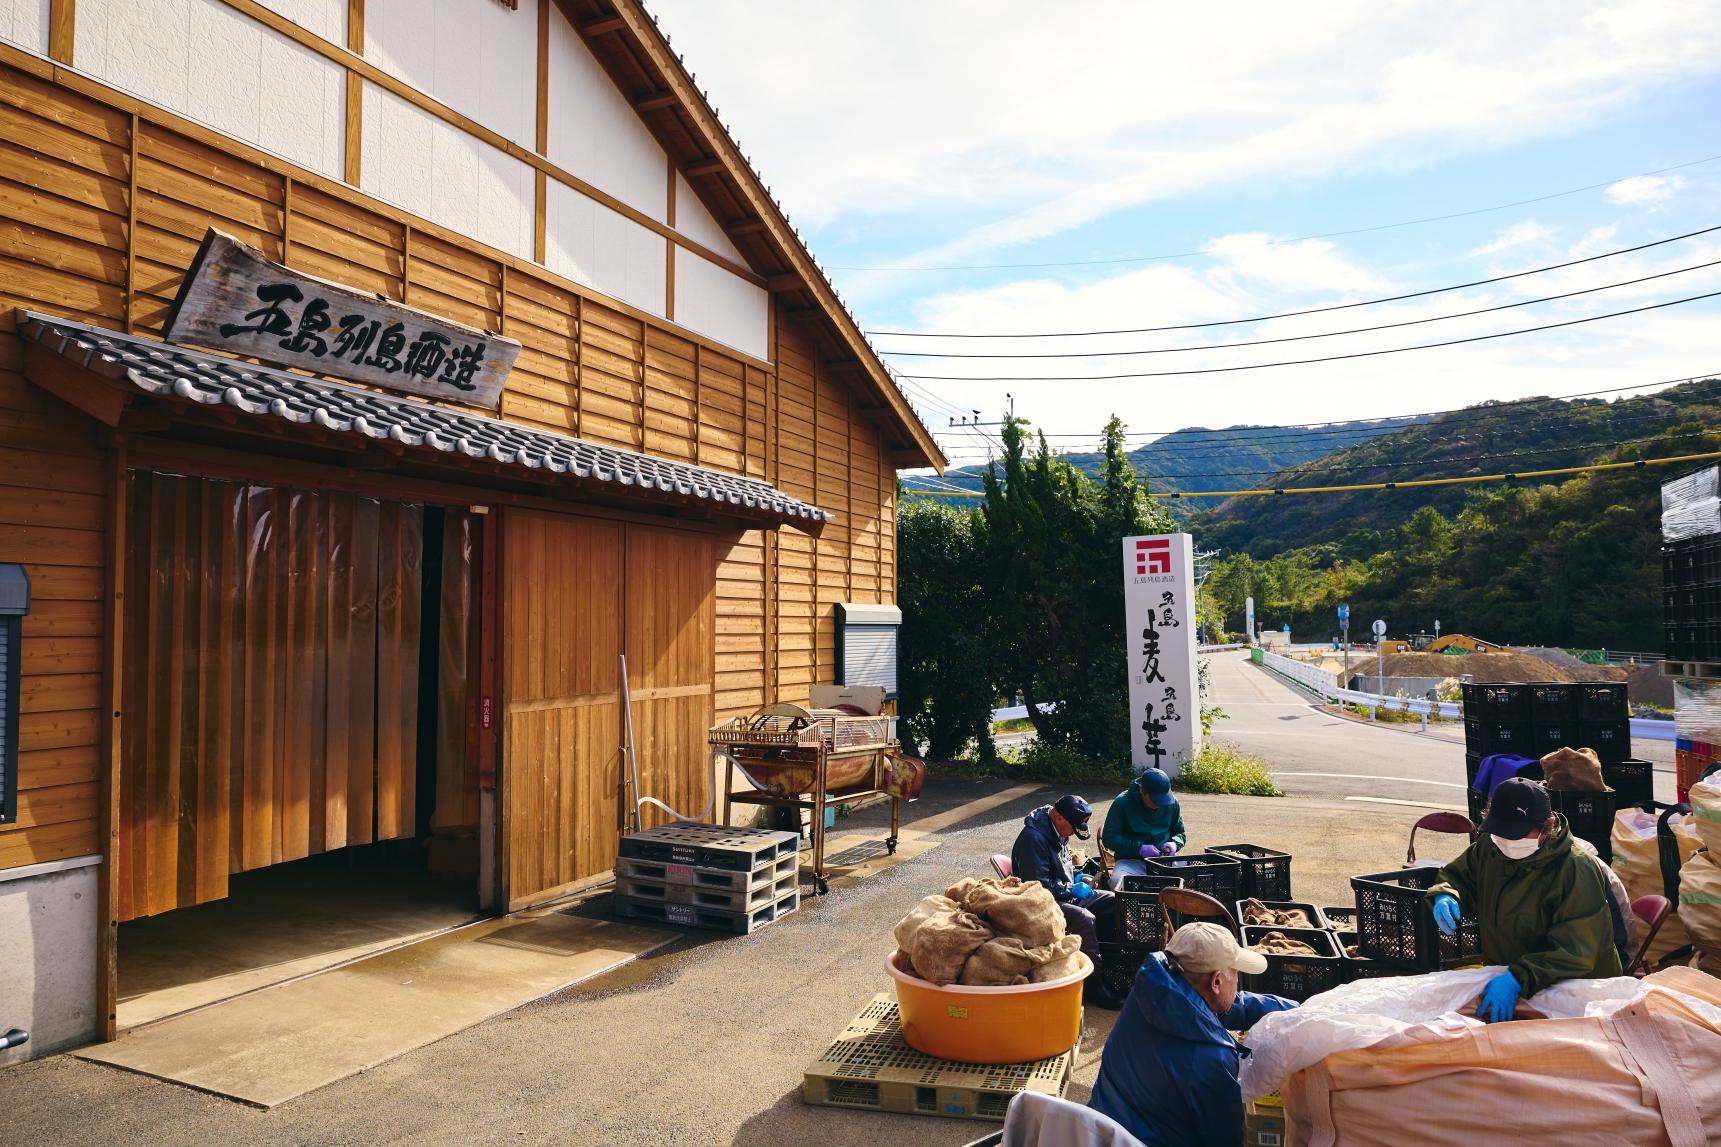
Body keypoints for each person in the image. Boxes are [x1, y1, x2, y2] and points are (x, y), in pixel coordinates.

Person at [1429, 777, 1623, 1023]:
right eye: (1501, 833)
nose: (1507, 842)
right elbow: (1459, 875)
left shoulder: (1575, 869)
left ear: (1548, 826)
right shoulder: (1490, 846)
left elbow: (1577, 949)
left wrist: (1517, 979)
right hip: (1512, 975)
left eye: (1517, 834)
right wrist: (1446, 893)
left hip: (1575, 991)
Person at [1089, 922, 1297, 1146]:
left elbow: (1232, 1005)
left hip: (1101, 1128)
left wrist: (1301, 1011)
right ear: (1216, 981)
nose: (1237, 981)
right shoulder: (1211, 1061)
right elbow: (1223, 1140)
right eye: (1235, 972)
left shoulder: (1152, 993)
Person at [1012, 794, 1118, 993]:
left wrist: (1076, 876)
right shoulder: (1033, 839)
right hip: (1041, 904)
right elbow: (1038, 887)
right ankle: (1094, 985)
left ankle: (1109, 965)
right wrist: (1071, 888)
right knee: (1085, 919)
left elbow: (1059, 866)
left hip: (1063, 893)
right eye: (1072, 829)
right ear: (1060, 818)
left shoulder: (1058, 828)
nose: (1070, 836)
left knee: (1113, 901)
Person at [1103, 768, 1188, 882]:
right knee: (1118, 882)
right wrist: (1138, 848)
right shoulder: (1122, 803)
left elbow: (1180, 833)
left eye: (1163, 799)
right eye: (1155, 800)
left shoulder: (1172, 803)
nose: (1160, 804)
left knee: (1195, 876)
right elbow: (1109, 838)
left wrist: (1175, 844)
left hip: (1164, 860)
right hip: (1131, 861)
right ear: (1142, 790)